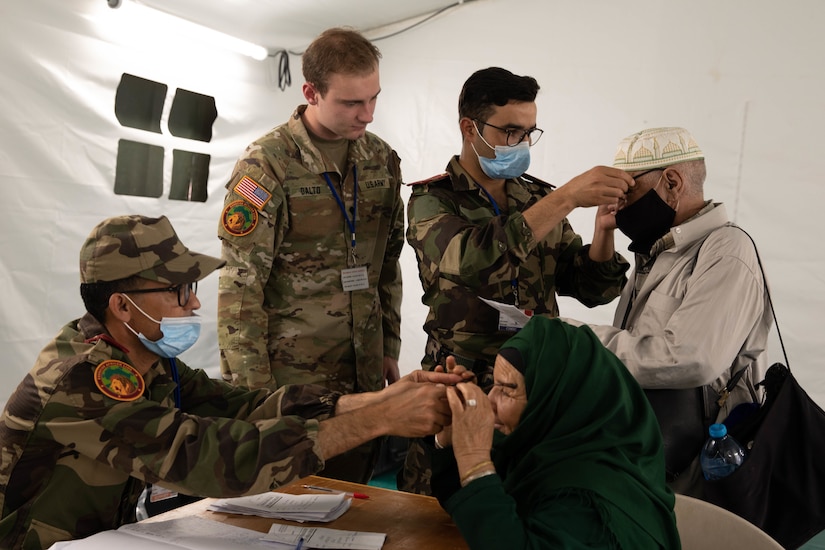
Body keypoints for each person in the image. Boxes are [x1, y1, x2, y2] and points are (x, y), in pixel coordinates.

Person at [0, 215, 464, 550]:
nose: (194, 305)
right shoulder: (83, 380)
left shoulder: (145, 359)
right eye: (180, 291)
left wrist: (375, 399)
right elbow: (208, 455)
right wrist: (380, 419)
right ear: (122, 307)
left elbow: (239, 407)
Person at [400, 66, 633, 493]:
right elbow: (470, 258)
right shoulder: (433, 199)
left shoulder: (536, 196)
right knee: (440, 507)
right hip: (462, 383)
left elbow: (588, 286)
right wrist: (566, 198)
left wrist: (603, 231)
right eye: (510, 131)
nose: (522, 144)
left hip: (530, 388)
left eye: (529, 132)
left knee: (524, 503)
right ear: (470, 128)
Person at [216, 27, 405, 483]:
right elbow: (241, 286)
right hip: (291, 378)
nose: (368, 114)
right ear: (311, 92)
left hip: (362, 366)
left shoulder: (381, 159)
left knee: (353, 497)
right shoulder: (267, 165)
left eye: (374, 98)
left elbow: (387, 262)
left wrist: (388, 344)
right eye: (351, 103)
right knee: (289, 503)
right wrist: (253, 395)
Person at [571, 126, 771, 494]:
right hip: (651, 462)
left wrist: (574, 340)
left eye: (627, 192)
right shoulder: (659, 252)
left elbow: (691, 357)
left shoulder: (726, 250)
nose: (618, 206)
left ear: (672, 183)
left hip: (699, 471)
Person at [428, 316, 681, 549]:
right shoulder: (542, 451)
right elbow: (474, 509)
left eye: (507, 390)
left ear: (553, 399)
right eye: (493, 385)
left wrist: (474, 460)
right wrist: (450, 439)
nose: (488, 400)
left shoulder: (588, 502)